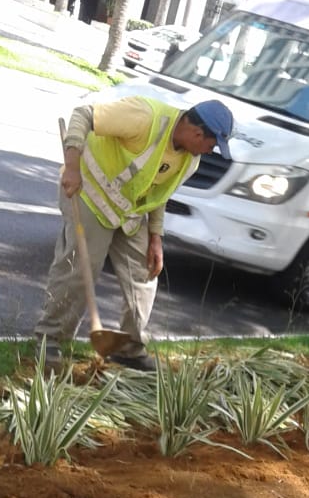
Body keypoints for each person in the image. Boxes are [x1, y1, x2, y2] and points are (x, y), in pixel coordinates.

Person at [35, 95, 234, 371]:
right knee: (82, 266)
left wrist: (155, 238)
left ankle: (129, 348)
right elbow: (83, 114)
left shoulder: (190, 161)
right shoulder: (145, 117)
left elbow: (158, 193)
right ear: (197, 132)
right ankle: (50, 340)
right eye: (211, 145)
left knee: (144, 274)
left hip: (128, 212)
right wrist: (71, 168)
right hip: (88, 193)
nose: (210, 151)